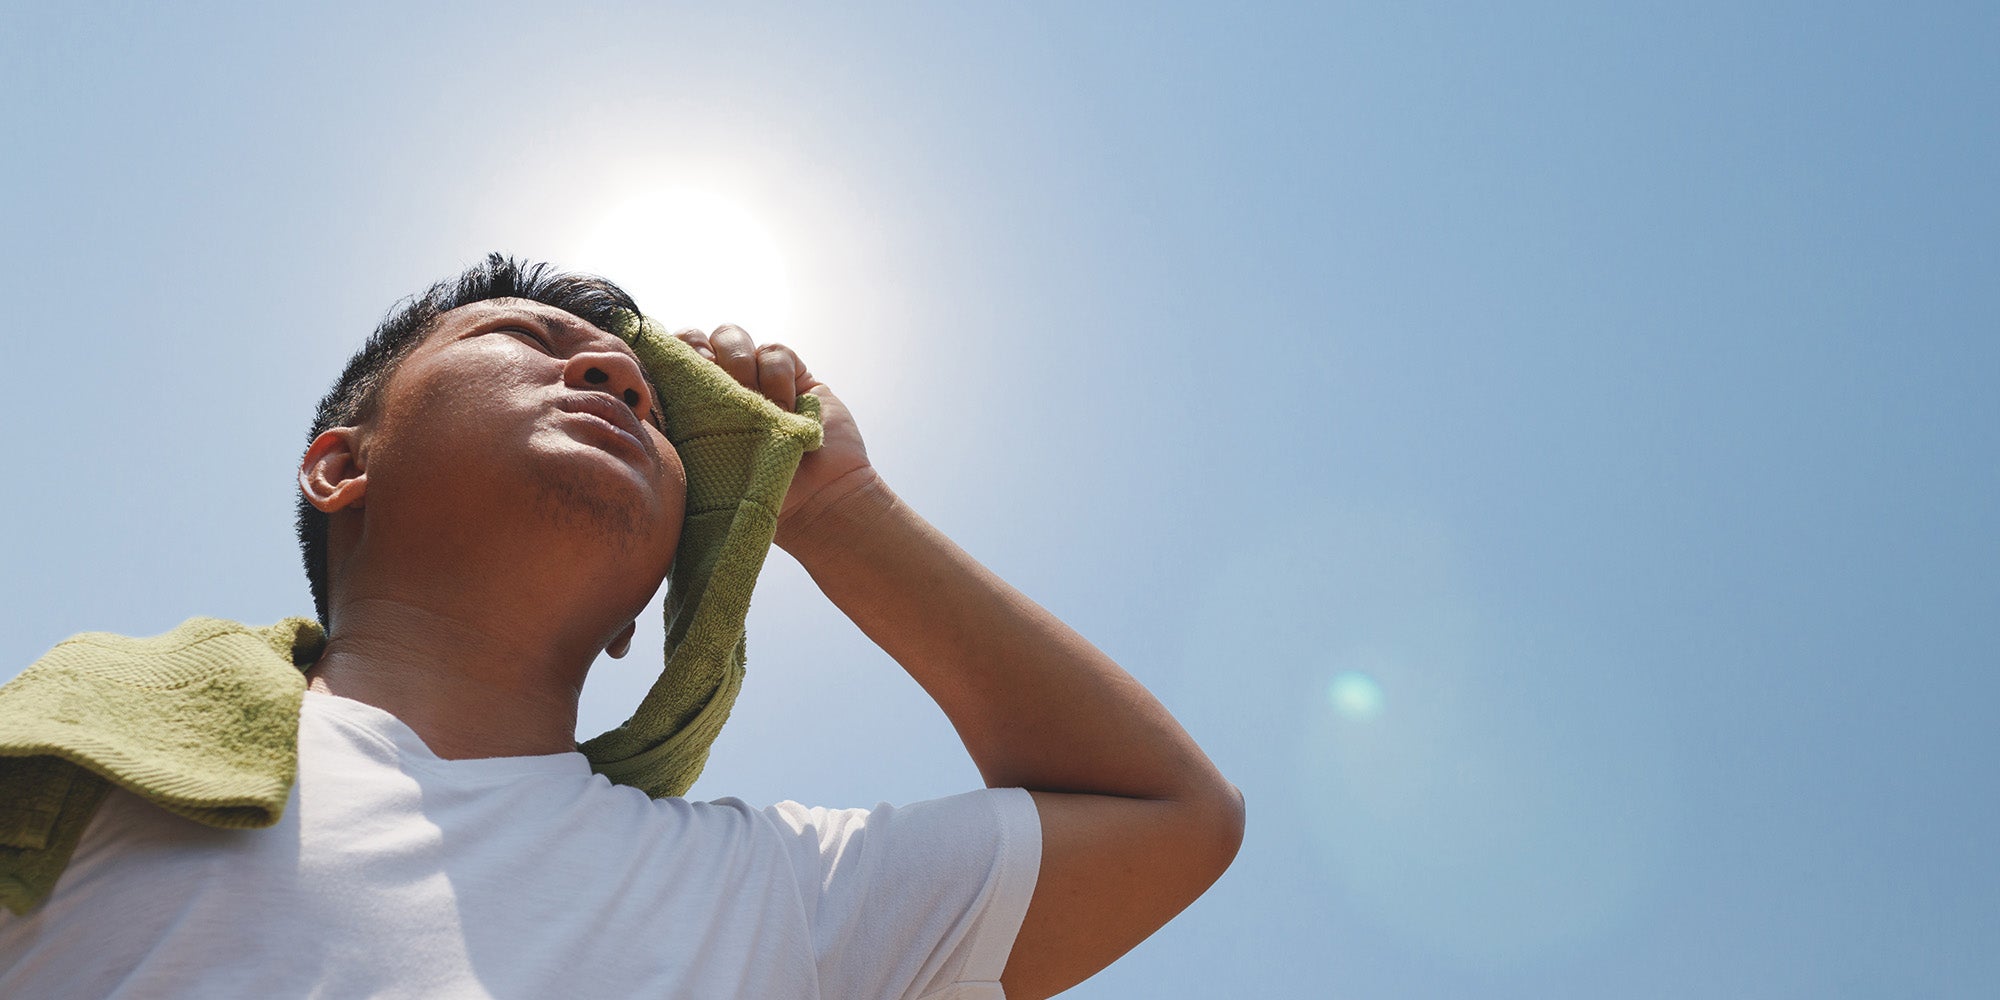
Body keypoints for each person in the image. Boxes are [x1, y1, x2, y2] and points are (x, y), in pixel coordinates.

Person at [0, 256, 1243, 999]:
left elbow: (1168, 819)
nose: (612, 379)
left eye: (649, 403)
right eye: (528, 341)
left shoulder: (768, 896)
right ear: (340, 464)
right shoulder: (77, 763)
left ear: (639, 617)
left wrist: (839, 508)